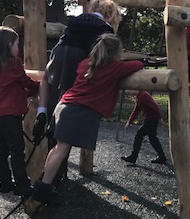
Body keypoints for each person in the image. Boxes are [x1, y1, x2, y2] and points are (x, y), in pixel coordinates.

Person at [28, 34, 144, 209]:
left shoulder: (85, 63)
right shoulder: (115, 67)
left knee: (57, 148)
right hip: (76, 111)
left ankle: (44, 182)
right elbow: (138, 65)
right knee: (61, 149)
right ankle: (42, 191)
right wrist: (141, 59)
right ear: (116, 53)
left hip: (63, 106)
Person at [32, 0, 120, 167]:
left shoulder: (77, 19)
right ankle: (55, 133)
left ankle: (41, 111)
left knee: (46, 78)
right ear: (110, 14)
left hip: (59, 50)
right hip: (78, 58)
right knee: (69, 98)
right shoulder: (105, 28)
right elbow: (103, 55)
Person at [0, 26, 40, 196]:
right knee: (17, 149)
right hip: (10, 114)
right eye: (17, 44)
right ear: (9, 45)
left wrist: (28, 93)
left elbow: (12, 87)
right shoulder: (13, 63)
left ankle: (5, 182)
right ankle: (22, 185)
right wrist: (42, 86)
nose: (19, 47)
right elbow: (25, 81)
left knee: (2, 149)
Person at [121, 90, 167, 165]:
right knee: (152, 138)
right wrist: (129, 122)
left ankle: (133, 157)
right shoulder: (140, 96)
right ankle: (162, 157)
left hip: (151, 119)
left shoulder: (143, 95)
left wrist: (160, 118)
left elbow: (154, 106)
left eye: (129, 90)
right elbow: (136, 110)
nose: (127, 92)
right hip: (150, 119)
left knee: (139, 135)